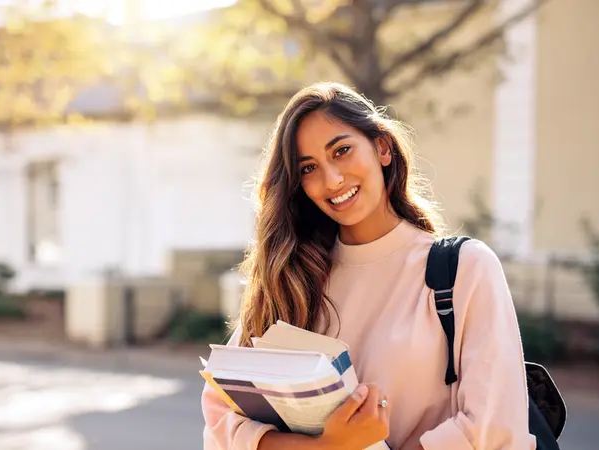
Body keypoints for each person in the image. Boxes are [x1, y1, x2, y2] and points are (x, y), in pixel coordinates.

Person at [201, 82, 535, 450]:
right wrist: (327, 448)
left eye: (342, 150)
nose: (332, 180)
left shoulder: (463, 270)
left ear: (382, 148)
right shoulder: (293, 277)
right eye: (309, 168)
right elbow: (222, 421)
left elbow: (494, 429)